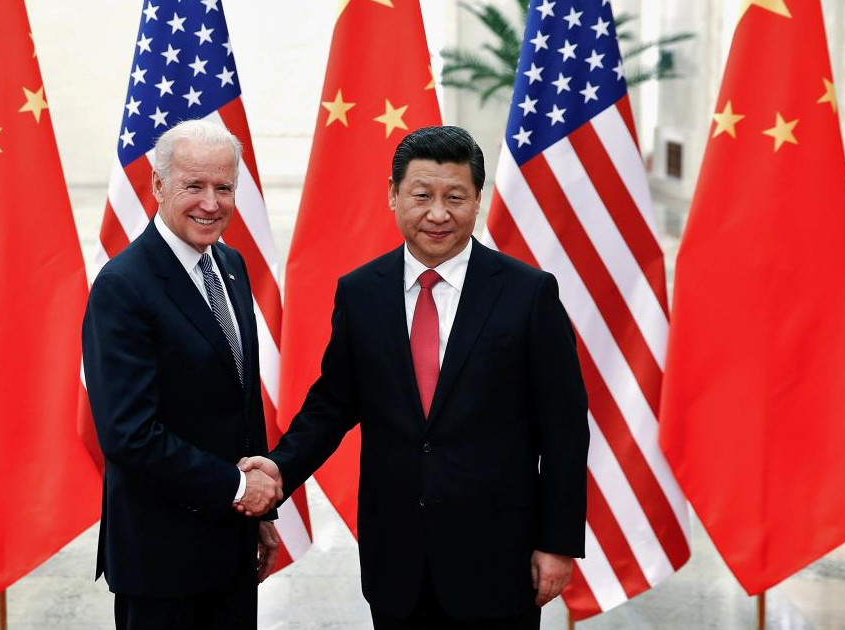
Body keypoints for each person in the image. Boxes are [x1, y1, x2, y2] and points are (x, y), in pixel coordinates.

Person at [242, 126, 589, 629]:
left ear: (477, 200)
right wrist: (278, 470)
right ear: (393, 195)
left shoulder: (528, 294)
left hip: (497, 558)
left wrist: (556, 544)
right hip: (397, 558)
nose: (438, 214)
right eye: (421, 195)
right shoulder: (361, 293)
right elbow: (333, 405)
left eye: (455, 197)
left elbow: (564, 429)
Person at [82, 119, 282, 630]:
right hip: (161, 562)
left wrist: (259, 515)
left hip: (231, 549)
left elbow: (240, 398)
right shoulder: (124, 286)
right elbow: (129, 435)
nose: (211, 203)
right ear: (157, 185)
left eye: (224, 187)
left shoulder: (231, 266)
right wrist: (239, 489)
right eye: (194, 186)